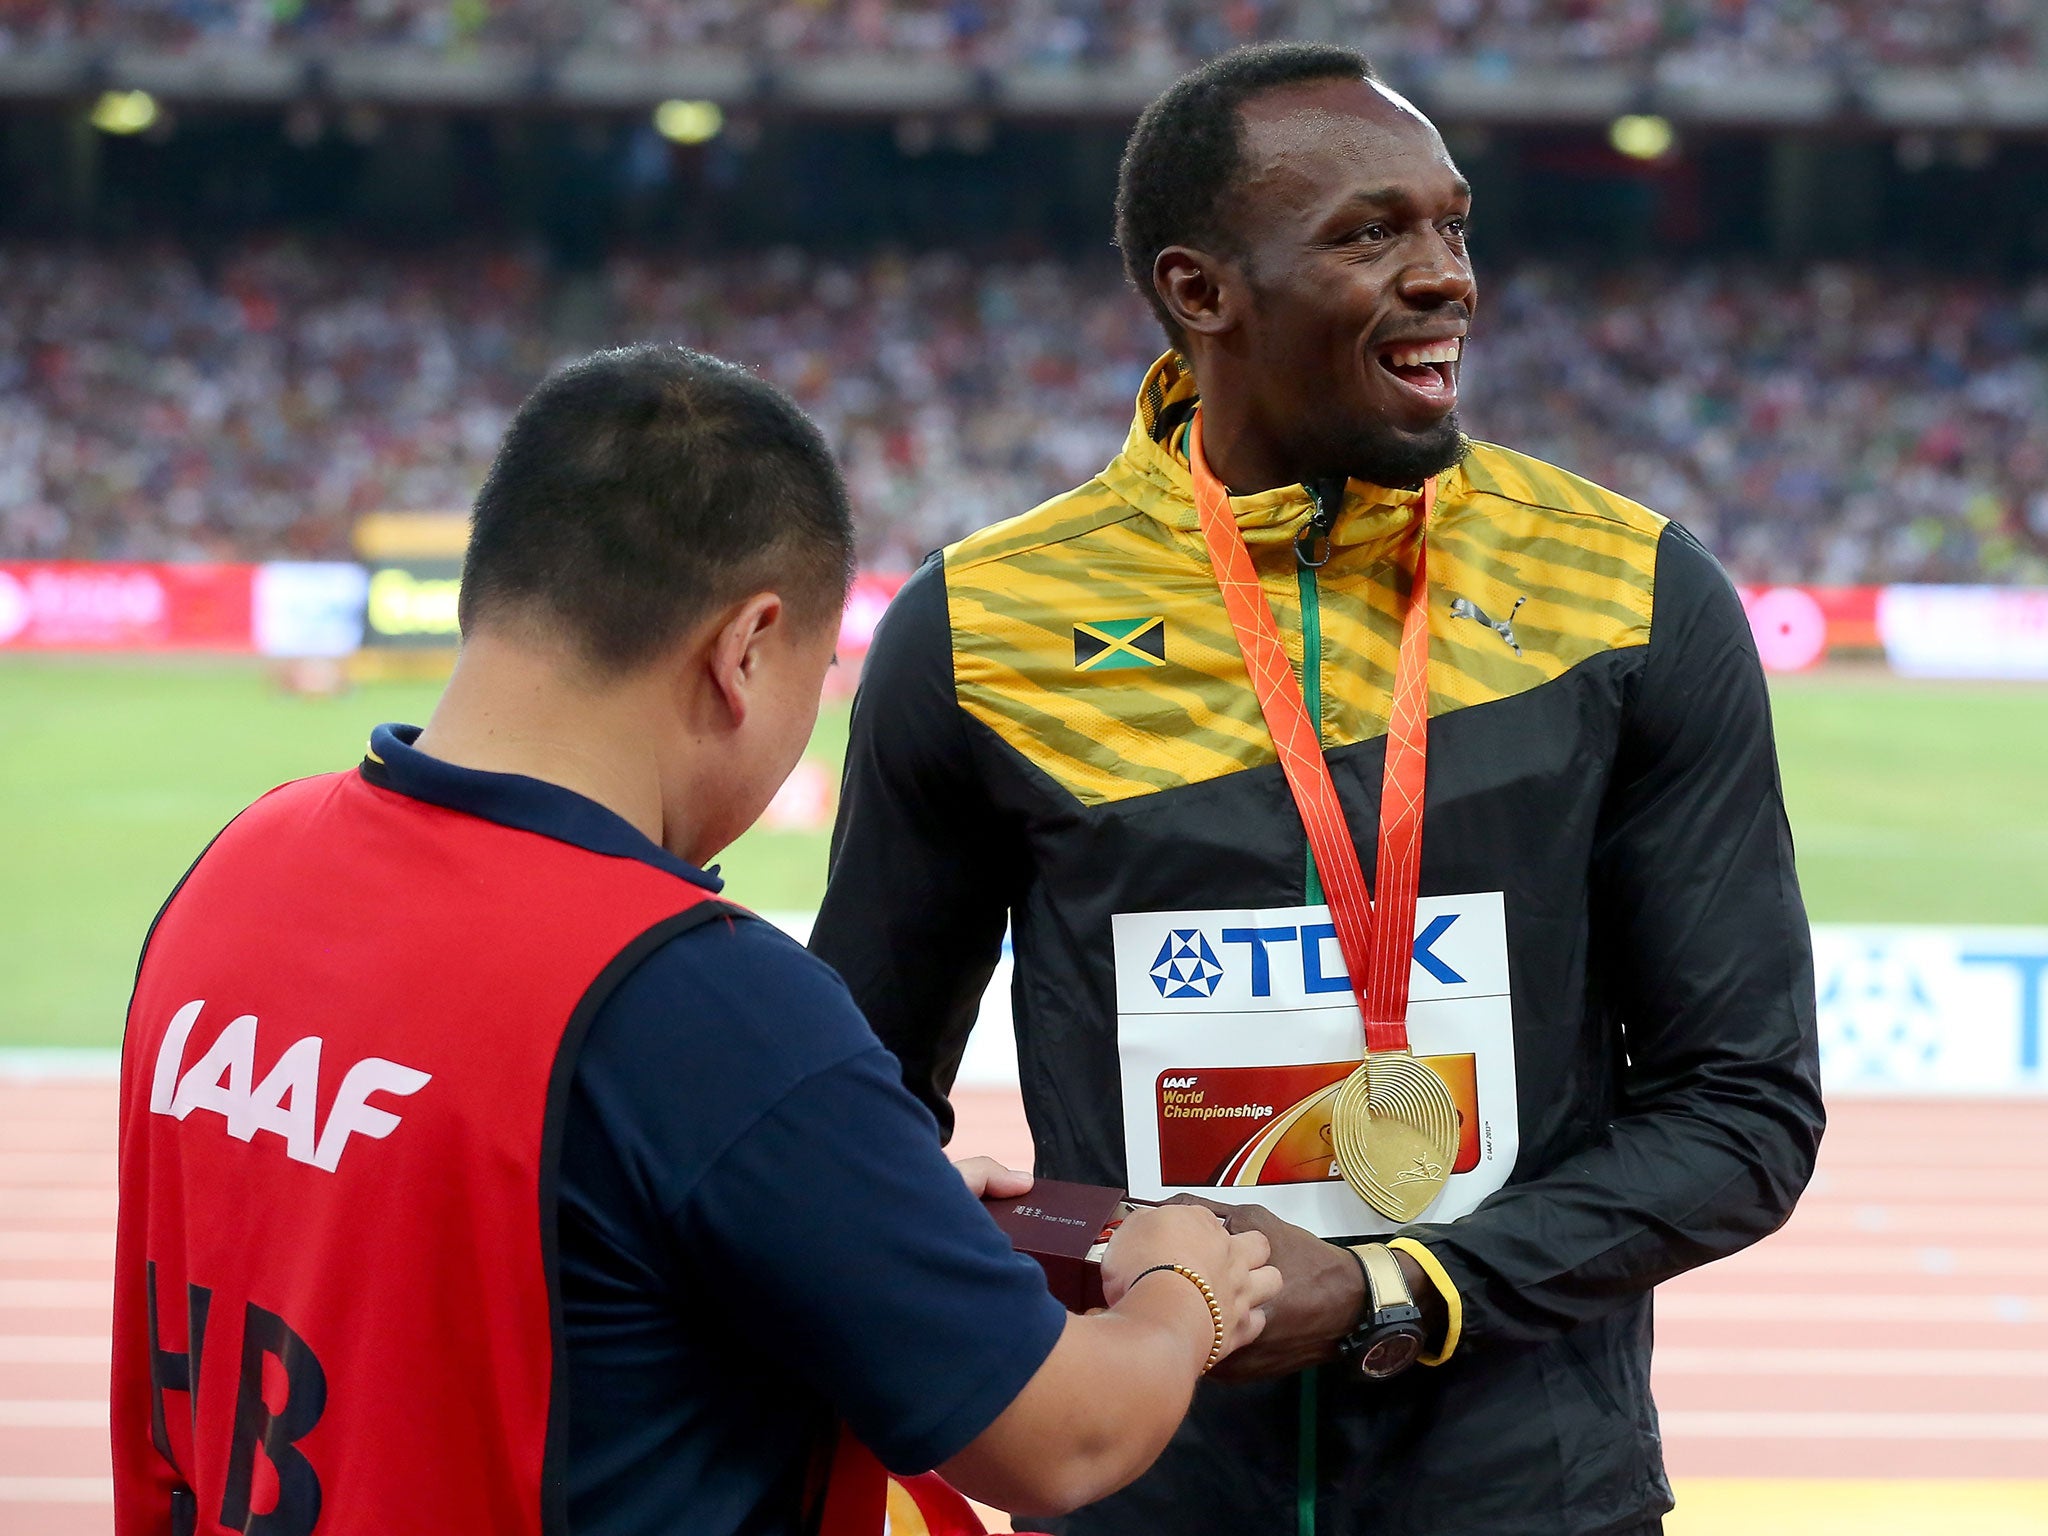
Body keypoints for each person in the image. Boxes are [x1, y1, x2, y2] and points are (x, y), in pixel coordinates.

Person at [810, 43, 1824, 1536]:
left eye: (1454, 226)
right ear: (1199, 290)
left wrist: (1388, 1290)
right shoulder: (984, 630)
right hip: (1140, 1490)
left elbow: (1742, 1110)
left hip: (1527, 1494)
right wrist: (980, 1230)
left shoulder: (1630, 594)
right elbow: (855, 1104)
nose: (1446, 279)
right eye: (1369, 235)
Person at [111, 344, 1280, 1536]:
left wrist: (840, 1194)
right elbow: (1062, 1437)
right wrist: (1180, 1286)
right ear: (745, 651)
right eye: (815, 675)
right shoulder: (703, 1002)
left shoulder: (234, 870)